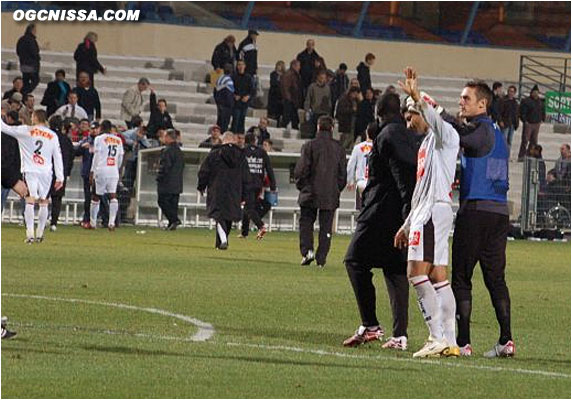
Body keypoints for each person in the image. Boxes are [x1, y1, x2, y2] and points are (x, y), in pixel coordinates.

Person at [441, 80, 514, 358]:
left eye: (466, 98)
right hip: (498, 213)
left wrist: (440, 113)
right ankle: (506, 340)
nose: (461, 103)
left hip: (476, 212)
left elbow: (464, 137)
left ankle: (464, 342)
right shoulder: (496, 132)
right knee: (496, 278)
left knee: (461, 277)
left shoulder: (482, 130)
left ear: (482, 104)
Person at [393, 67, 460, 358]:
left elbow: (435, 117)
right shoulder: (426, 146)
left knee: (415, 272)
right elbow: (420, 188)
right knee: (437, 276)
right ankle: (451, 341)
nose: (409, 122)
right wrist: (407, 224)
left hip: (433, 211)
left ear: (426, 111)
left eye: (412, 115)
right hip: (429, 210)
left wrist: (418, 97)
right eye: (407, 116)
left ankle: (436, 338)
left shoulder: (446, 135)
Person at [342, 92, 418, 349]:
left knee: (354, 260)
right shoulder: (410, 134)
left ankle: (371, 325)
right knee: (395, 271)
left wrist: (406, 214)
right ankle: (400, 335)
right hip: (399, 214)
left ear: (379, 112)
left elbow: (403, 176)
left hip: (379, 213)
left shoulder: (387, 135)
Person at [1, 109, 64, 243]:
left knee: (30, 200)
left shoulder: (26, 130)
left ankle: (30, 234)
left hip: (30, 170)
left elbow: (4, 128)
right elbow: (57, 156)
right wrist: (60, 177)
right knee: (44, 201)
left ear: (34, 117)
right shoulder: (52, 135)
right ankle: (40, 234)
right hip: (46, 172)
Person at [294, 115, 346, 267]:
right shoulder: (339, 148)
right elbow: (342, 174)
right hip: (330, 193)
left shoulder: (310, 145)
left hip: (310, 191)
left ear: (318, 127)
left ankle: (307, 251)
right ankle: (321, 258)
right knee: (326, 226)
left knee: (306, 223)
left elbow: (301, 169)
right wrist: (336, 189)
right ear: (332, 128)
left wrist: (302, 186)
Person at [197, 131, 250, 250]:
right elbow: (246, 177)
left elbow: (204, 172)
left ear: (223, 140)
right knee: (228, 216)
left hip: (217, 189)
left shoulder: (215, 153)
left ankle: (223, 239)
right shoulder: (241, 156)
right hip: (235, 191)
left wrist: (201, 186)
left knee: (219, 215)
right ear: (234, 141)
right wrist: (245, 195)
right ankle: (220, 243)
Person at [239, 132, 276, 239]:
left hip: (246, 184)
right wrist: (273, 185)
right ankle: (244, 232)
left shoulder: (243, 152)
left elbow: (237, 169)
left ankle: (261, 226)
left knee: (248, 207)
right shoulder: (262, 152)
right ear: (255, 141)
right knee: (249, 206)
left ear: (245, 141)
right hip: (258, 185)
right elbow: (269, 169)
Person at [89, 120, 124, 230]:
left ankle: (92, 223)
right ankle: (112, 223)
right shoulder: (118, 140)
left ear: (101, 128)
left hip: (102, 169)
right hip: (113, 170)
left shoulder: (99, 139)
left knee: (96, 196)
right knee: (113, 195)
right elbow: (120, 157)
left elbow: (97, 156)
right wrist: (116, 169)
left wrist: (92, 171)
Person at [48, 115, 74, 232]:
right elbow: (71, 156)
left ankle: (35, 220)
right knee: (57, 198)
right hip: (60, 172)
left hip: (46, 170)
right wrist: (67, 172)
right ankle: (54, 223)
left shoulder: (48, 137)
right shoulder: (66, 140)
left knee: (43, 196)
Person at [157, 129, 185, 230]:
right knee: (173, 204)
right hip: (177, 182)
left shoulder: (167, 150)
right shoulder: (179, 151)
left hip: (167, 183)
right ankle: (172, 223)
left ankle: (174, 220)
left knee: (163, 202)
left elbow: (165, 167)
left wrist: (159, 177)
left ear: (168, 137)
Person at [1, 111, 27, 212]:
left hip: (8, 171)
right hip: (23, 170)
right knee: (27, 197)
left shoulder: (6, 135)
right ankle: (28, 220)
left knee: (3, 195)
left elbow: (6, 156)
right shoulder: (25, 135)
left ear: (9, 118)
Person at [76, 121, 99, 228]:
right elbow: (76, 151)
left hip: (98, 173)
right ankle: (87, 219)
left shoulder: (101, 141)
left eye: (96, 128)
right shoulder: (86, 140)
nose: (94, 130)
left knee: (100, 197)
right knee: (88, 198)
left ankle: (105, 218)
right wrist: (82, 147)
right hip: (87, 172)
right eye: (93, 128)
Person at [346, 123, 374, 210]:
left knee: (360, 211)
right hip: (374, 184)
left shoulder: (358, 147)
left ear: (366, 132)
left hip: (361, 183)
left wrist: (350, 181)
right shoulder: (379, 147)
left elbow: (351, 165)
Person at [517, 85, 544, 161]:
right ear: (531, 93)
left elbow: (542, 111)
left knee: (534, 141)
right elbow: (522, 112)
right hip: (529, 123)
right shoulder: (526, 101)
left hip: (537, 123)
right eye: (534, 92)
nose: (536, 94)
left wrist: (542, 119)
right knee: (525, 140)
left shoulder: (540, 102)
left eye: (537, 92)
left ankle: (530, 155)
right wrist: (525, 121)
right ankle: (521, 156)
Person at [122, 116, 149, 189]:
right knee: (128, 177)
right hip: (130, 157)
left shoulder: (143, 134)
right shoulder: (129, 133)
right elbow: (122, 138)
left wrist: (142, 138)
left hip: (139, 158)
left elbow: (147, 145)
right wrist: (132, 142)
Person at [304, 70, 332, 136]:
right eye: (322, 78)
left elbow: (329, 100)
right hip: (315, 112)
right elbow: (308, 99)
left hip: (324, 112)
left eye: (324, 78)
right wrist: (307, 110)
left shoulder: (327, 88)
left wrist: (329, 111)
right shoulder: (312, 87)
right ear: (318, 77)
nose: (323, 80)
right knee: (314, 130)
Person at [231, 60, 254, 134]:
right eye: (239, 65)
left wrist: (248, 96)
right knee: (236, 119)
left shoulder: (248, 77)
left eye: (242, 65)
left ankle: (241, 136)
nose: (240, 66)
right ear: (237, 66)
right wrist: (234, 95)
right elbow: (230, 88)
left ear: (245, 66)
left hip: (244, 102)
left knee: (242, 119)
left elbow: (252, 90)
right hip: (236, 102)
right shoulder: (233, 76)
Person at [16, 24, 40, 95]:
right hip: (31, 65)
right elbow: (34, 52)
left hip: (23, 64)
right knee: (35, 80)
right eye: (35, 30)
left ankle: (23, 93)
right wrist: (37, 58)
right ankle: (24, 93)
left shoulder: (21, 39)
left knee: (25, 81)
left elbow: (18, 51)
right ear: (32, 30)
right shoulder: (31, 40)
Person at [280, 60, 303, 130]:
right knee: (287, 116)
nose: (299, 67)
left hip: (293, 99)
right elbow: (285, 87)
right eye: (298, 66)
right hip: (290, 100)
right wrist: (288, 98)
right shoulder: (289, 74)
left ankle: (295, 128)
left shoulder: (295, 74)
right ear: (294, 66)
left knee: (294, 117)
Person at [214, 63, 235, 132]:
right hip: (226, 106)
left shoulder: (219, 79)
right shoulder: (228, 81)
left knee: (219, 123)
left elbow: (215, 92)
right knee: (224, 125)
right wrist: (231, 105)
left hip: (219, 104)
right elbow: (229, 94)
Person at [498, 85, 519, 152]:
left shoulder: (515, 103)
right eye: (509, 91)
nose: (511, 93)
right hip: (505, 123)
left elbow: (517, 113)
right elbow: (499, 112)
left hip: (512, 124)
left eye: (512, 91)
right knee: (503, 140)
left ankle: (507, 155)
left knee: (509, 141)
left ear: (514, 93)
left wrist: (516, 123)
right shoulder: (503, 101)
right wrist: (500, 121)